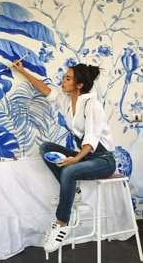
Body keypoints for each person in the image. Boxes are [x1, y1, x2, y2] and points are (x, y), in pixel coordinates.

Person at [12, 61, 116, 253]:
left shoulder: (92, 105)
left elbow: (91, 139)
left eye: (68, 78)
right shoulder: (67, 100)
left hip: (103, 159)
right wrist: (22, 70)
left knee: (69, 171)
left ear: (79, 85)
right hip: (87, 156)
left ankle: (61, 224)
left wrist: (76, 159)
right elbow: (45, 89)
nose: (63, 80)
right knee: (46, 148)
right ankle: (72, 192)